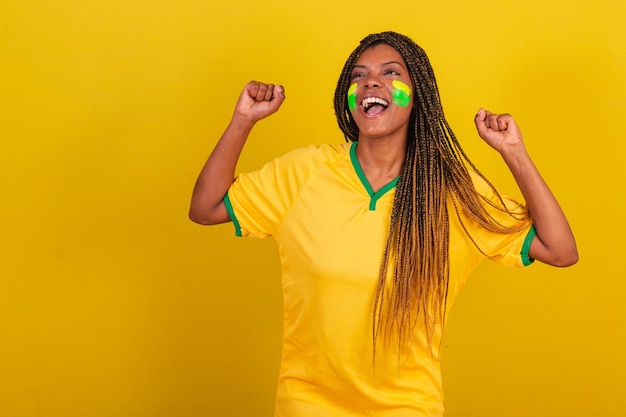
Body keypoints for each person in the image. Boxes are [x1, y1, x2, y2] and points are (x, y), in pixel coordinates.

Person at [189, 31, 577, 417]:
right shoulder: (305, 172)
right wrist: (242, 121)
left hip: (407, 408)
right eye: (358, 76)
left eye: (390, 73)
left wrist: (514, 153)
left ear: (417, 94)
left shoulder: (452, 193)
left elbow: (559, 250)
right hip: (306, 405)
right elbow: (206, 208)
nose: (370, 82)